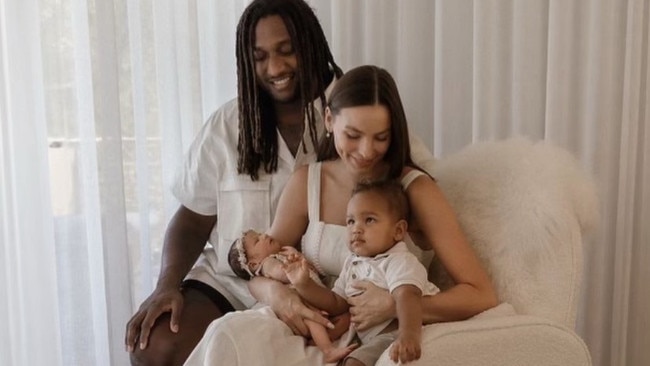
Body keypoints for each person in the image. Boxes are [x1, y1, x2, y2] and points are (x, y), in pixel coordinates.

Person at [124, 1, 436, 364]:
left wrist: (401, 290)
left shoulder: (357, 109)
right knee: (155, 346)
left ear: (312, 44)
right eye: (260, 57)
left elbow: (414, 183)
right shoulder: (228, 125)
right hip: (233, 282)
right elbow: (192, 219)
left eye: (287, 51)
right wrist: (165, 285)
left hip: (323, 287)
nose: (275, 68)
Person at [184, 65, 497, 366]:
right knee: (226, 335)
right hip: (312, 329)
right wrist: (278, 295)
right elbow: (261, 265)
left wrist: (395, 305)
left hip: (381, 336)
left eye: (381, 137)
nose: (366, 150)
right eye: (353, 135)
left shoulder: (415, 190)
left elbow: (480, 294)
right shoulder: (308, 182)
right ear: (330, 120)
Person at [285, 179, 440, 365]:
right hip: (370, 337)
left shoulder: (399, 261)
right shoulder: (353, 263)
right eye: (350, 221)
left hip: (396, 331)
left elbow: (408, 298)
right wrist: (304, 285)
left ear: (398, 231)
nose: (356, 229)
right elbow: (337, 303)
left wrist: (409, 336)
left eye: (369, 220)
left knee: (354, 363)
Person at [227, 229, 358, 362]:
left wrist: (299, 258)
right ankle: (327, 350)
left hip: (317, 298)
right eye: (257, 240)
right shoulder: (268, 263)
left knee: (344, 318)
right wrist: (292, 267)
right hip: (301, 304)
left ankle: (317, 341)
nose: (264, 235)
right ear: (254, 264)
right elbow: (284, 273)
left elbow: (313, 273)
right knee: (314, 321)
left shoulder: (283, 255)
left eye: (260, 234)